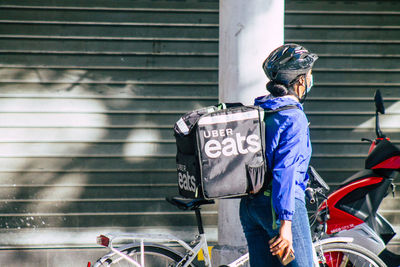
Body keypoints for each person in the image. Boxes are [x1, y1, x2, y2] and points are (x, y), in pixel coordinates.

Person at [239, 43, 318, 266]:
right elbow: (286, 171)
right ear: (301, 80)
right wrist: (286, 224)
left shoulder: (262, 111)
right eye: (309, 74)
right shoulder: (294, 118)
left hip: (251, 206)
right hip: (279, 205)